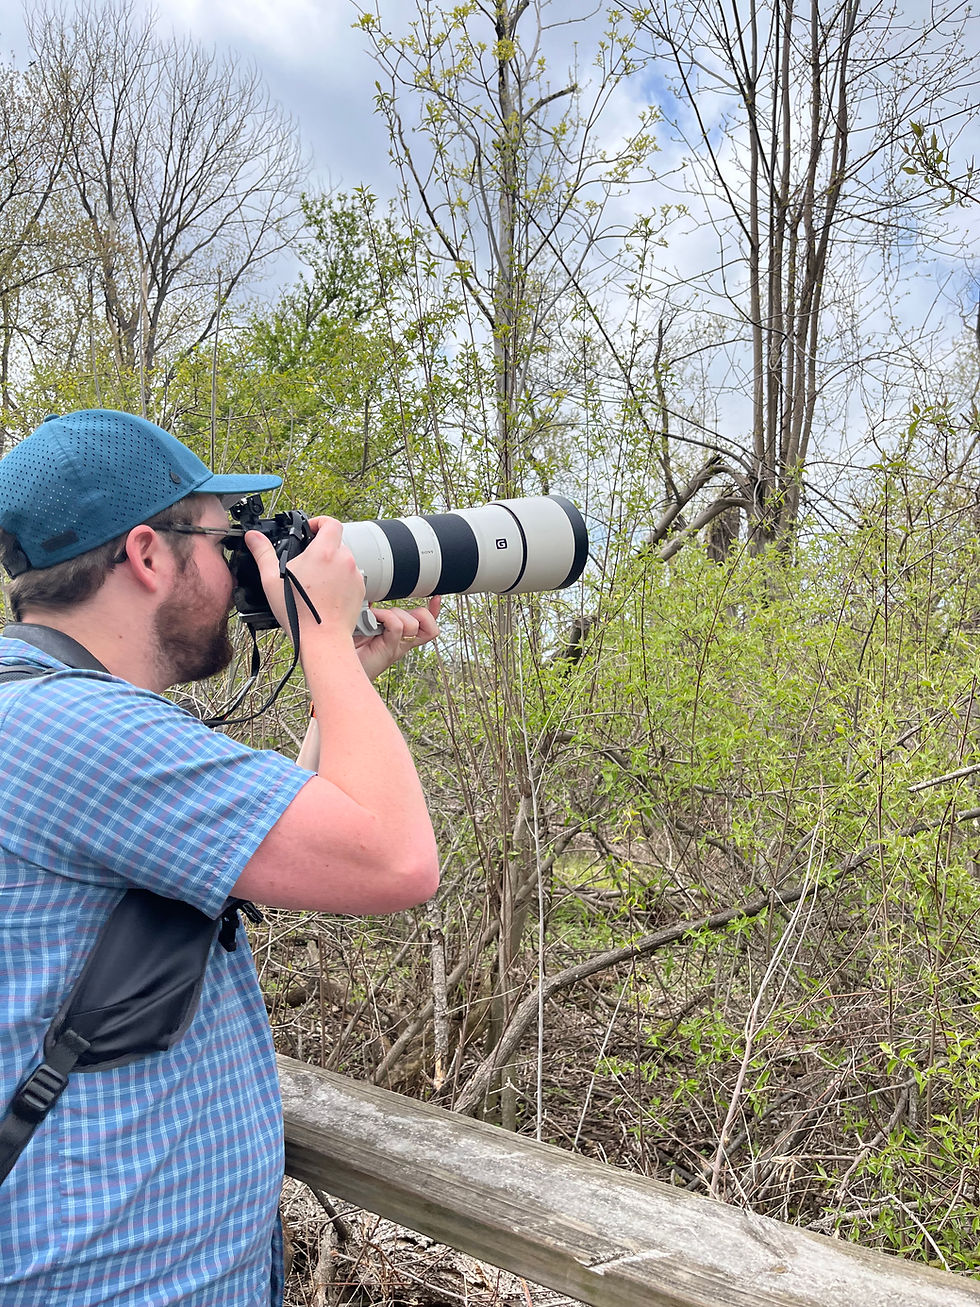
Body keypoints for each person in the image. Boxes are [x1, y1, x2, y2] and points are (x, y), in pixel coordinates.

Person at [0, 409, 441, 1305]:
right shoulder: (82, 732)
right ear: (148, 555)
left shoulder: (48, 713)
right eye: (222, 534)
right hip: (117, 1281)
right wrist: (321, 638)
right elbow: (395, 860)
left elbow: (255, 839)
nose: (242, 562)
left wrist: (347, 679)